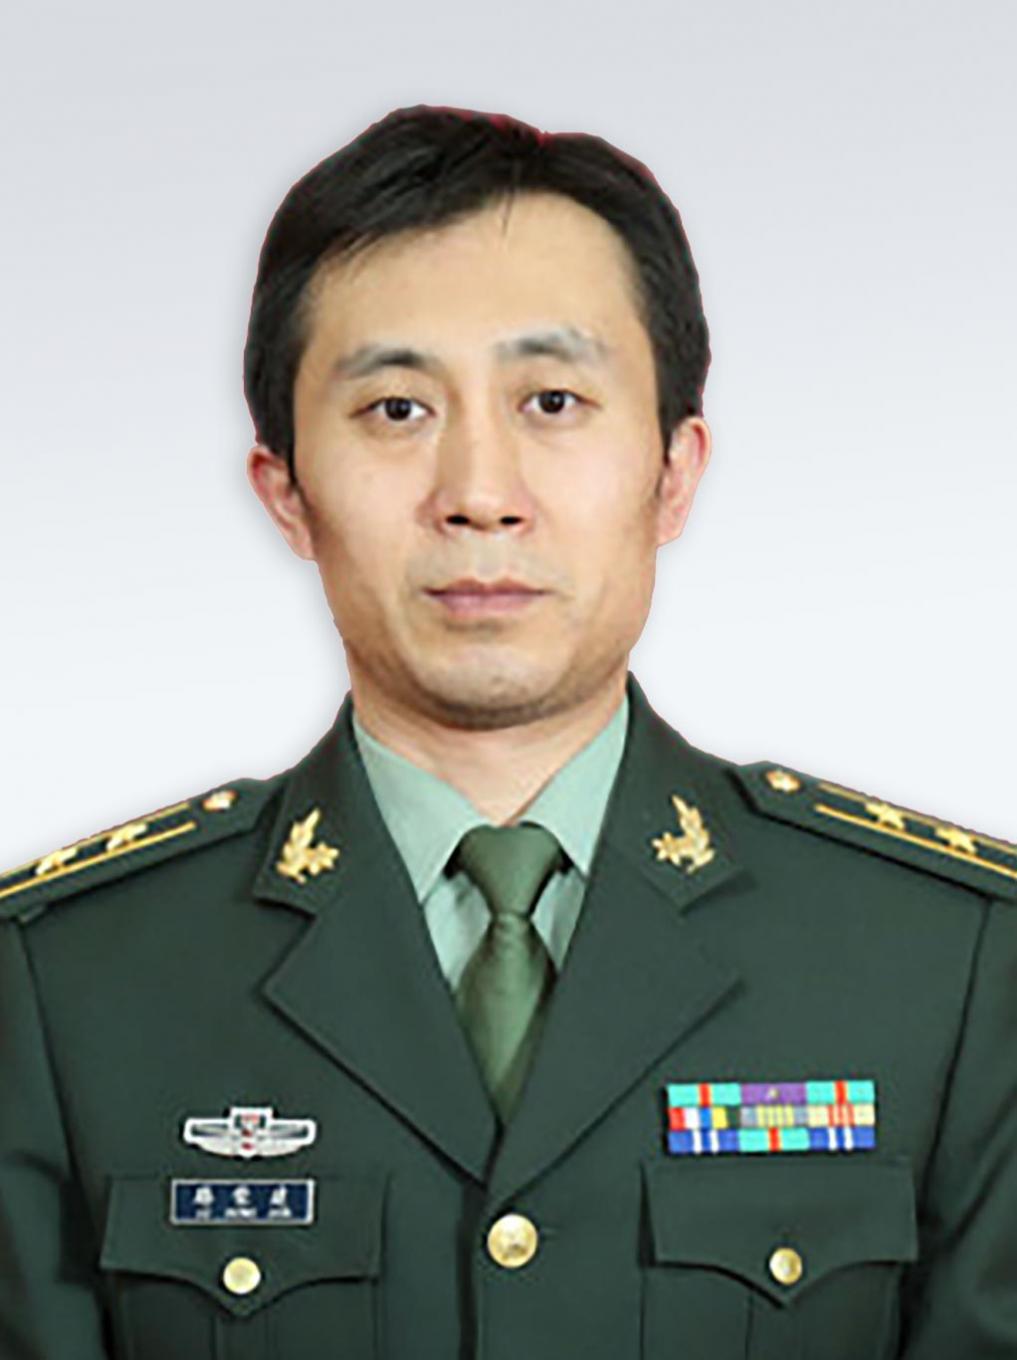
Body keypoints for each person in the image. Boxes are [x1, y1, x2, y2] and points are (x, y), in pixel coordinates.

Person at [1, 103, 1015, 1360]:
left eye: (552, 399)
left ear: (674, 471)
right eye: (395, 410)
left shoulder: (953, 961)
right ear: (287, 491)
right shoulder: (61, 984)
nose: (480, 495)